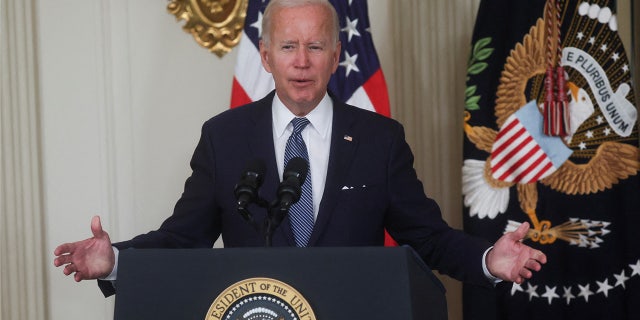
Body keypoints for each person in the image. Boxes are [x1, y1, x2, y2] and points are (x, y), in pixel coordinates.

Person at [53, 0, 546, 297]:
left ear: (336, 55)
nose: (302, 62)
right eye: (288, 47)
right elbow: (184, 238)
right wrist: (115, 261)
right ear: (265, 56)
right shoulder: (223, 137)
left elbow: (429, 237)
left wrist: (488, 259)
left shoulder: (379, 139)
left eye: (315, 47)